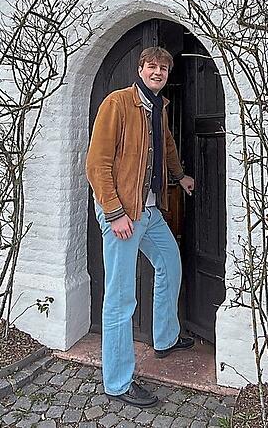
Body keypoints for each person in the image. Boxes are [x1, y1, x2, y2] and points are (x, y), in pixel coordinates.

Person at [85, 46, 197, 408]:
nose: (158, 72)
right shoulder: (117, 103)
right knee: (120, 299)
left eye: (164, 67)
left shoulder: (158, 108)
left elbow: (165, 148)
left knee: (170, 262)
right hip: (123, 215)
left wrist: (180, 177)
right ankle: (117, 382)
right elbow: (96, 163)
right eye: (152, 66)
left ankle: (164, 338)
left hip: (148, 213)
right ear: (140, 68)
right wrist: (115, 212)